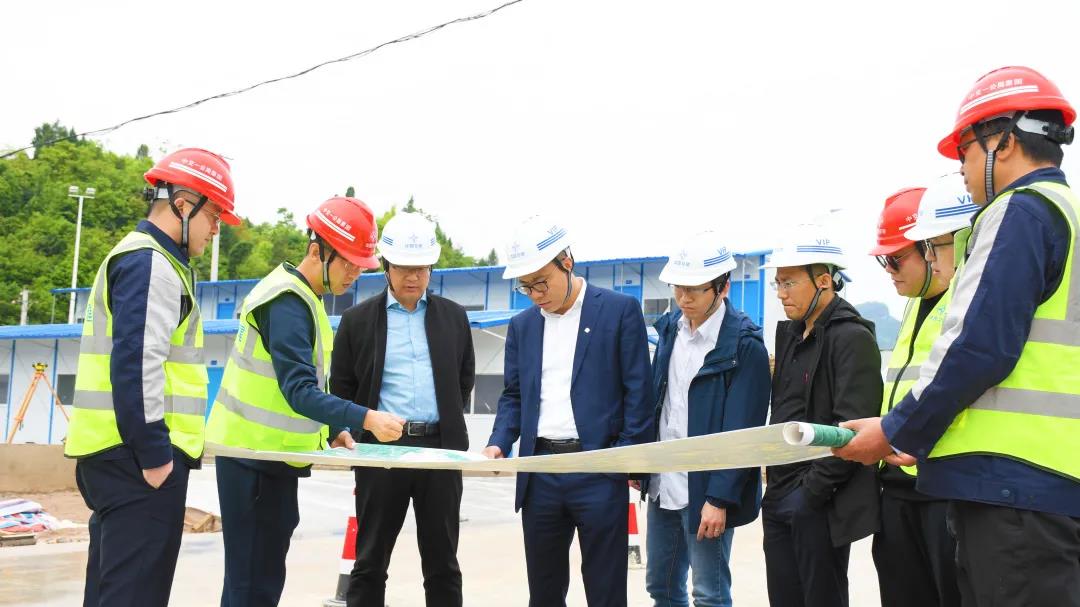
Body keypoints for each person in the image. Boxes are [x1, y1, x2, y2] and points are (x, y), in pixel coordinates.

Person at [835, 65, 1080, 607]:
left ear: (1004, 142)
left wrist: (895, 431)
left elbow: (979, 345)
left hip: (1011, 484)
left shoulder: (1020, 211)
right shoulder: (1068, 215)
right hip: (1052, 484)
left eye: (965, 152)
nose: (962, 170)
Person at [205, 196, 405, 606]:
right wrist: (365, 418)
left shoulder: (303, 299)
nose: (354, 274)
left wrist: (333, 428)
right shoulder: (287, 303)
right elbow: (299, 390)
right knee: (250, 586)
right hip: (253, 460)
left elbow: (307, 383)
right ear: (317, 251)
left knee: (260, 582)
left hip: (269, 460)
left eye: (360, 266)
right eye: (348, 263)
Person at [65, 148, 242, 607]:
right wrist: (155, 455)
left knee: (112, 591)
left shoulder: (146, 259)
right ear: (183, 205)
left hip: (116, 455)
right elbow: (137, 363)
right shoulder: (152, 264)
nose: (216, 229)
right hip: (138, 461)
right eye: (214, 215)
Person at [483, 215, 654, 607]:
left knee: (605, 590)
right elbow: (514, 395)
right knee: (544, 592)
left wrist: (625, 461)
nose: (535, 294)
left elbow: (638, 393)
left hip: (599, 469)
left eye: (541, 282)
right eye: (525, 286)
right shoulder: (523, 326)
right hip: (540, 472)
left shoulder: (618, 311)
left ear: (567, 262)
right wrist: (498, 442)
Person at [330, 211, 475, 607]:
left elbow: (463, 379)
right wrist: (347, 432)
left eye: (422, 269)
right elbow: (341, 386)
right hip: (381, 452)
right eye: (405, 268)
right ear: (386, 266)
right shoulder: (357, 321)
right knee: (370, 561)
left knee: (443, 563)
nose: (414, 277)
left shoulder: (454, 317)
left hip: (439, 451)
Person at [639, 231, 771, 607]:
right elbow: (657, 401)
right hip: (664, 484)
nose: (684, 298)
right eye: (679, 288)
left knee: (709, 594)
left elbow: (742, 432)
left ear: (722, 287)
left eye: (695, 290)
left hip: (707, 492)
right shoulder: (670, 330)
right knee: (661, 588)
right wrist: (642, 466)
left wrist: (719, 498)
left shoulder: (744, 346)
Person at [760, 224, 881, 607]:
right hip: (778, 494)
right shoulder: (791, 336)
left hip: (817, 500)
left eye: (789, 283)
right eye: (777, 283)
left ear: (824, 281)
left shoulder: (852, 338)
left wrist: (810, 495)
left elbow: (851, 427)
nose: (781, 293)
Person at [869, 183, 966, 607]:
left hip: (940, 487)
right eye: (883, 261)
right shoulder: (912, 305)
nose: (889, 270)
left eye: (896, 258)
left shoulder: (967, 302)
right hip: (896, 487)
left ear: (929, 246)